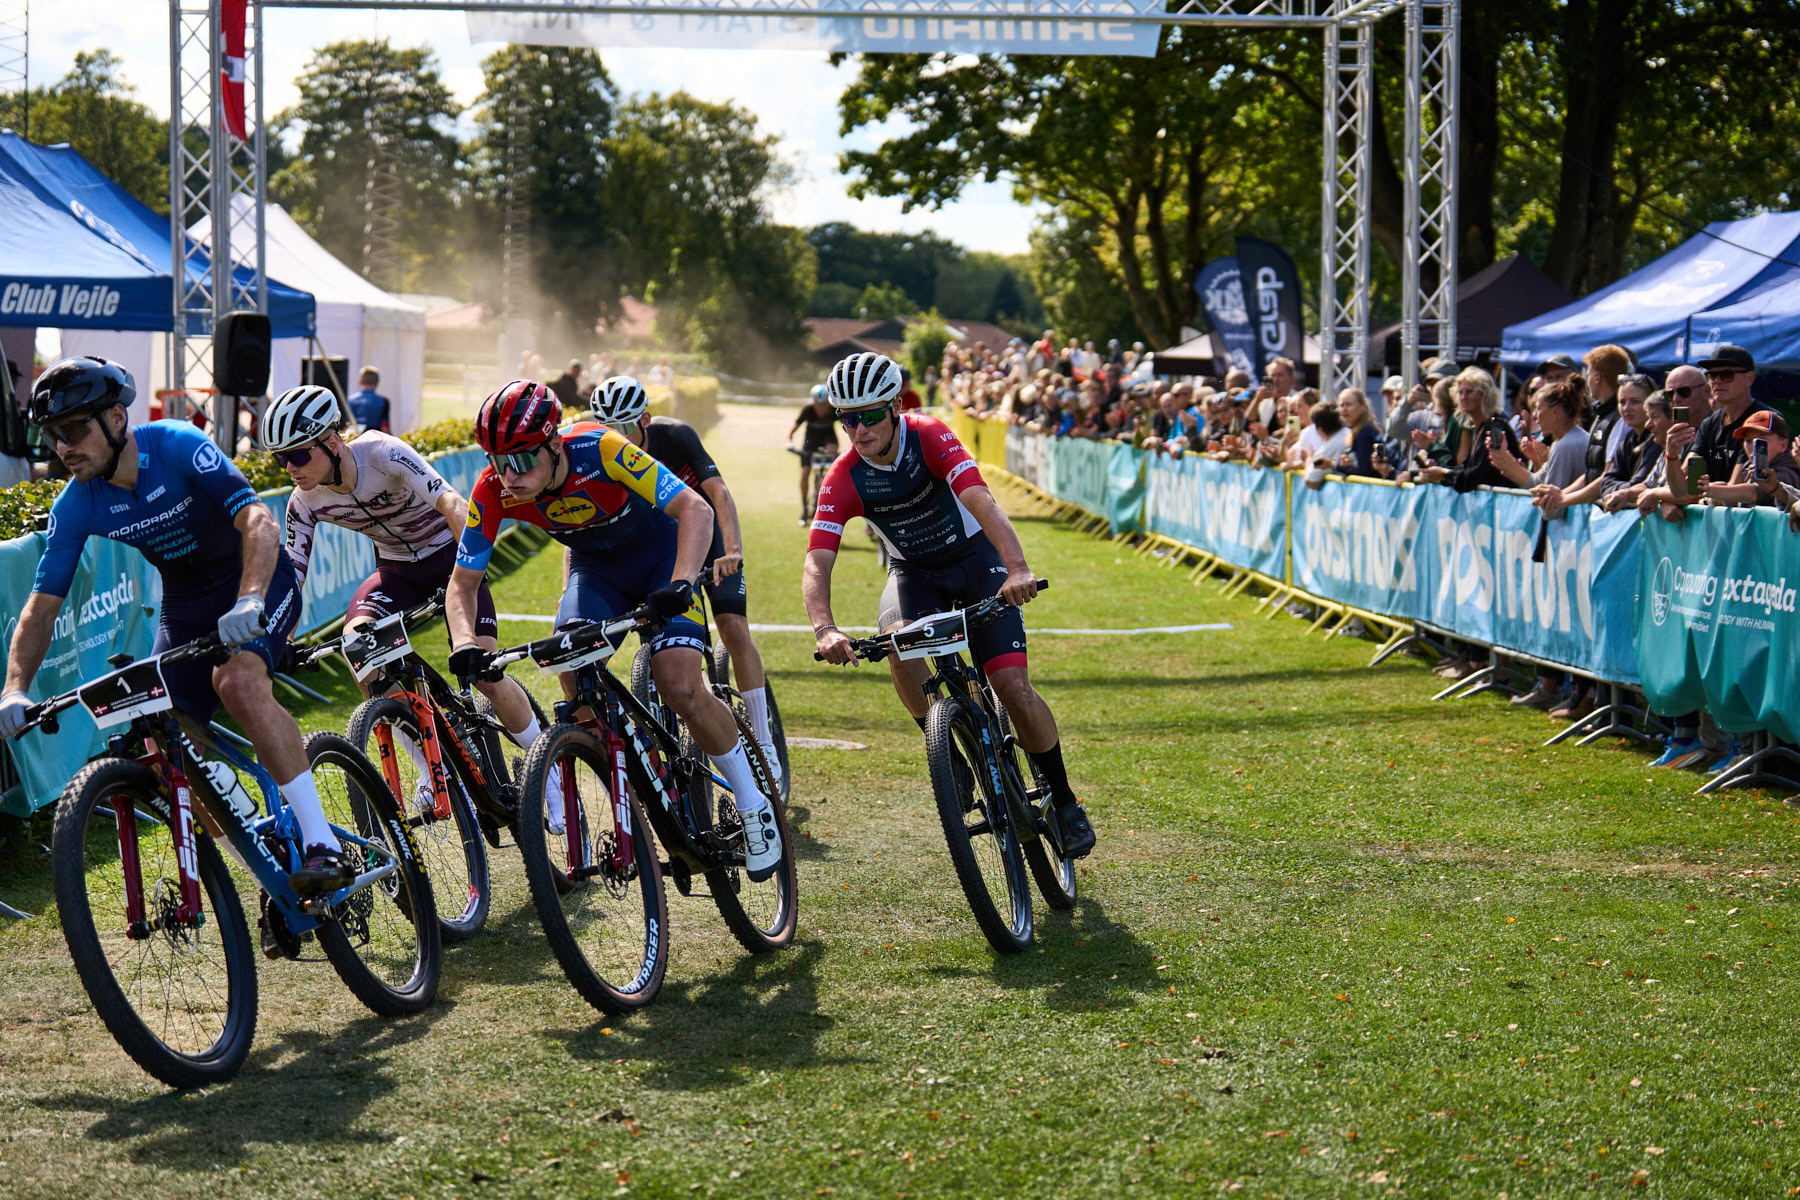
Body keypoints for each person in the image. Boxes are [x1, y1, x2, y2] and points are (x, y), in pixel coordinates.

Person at [0, 358, 349, 893]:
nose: (63, 447)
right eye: (53, 436)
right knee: (163, 745)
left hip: (254, 578)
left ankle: (323, 843)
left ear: (117, 418)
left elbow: (257, 520)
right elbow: (41, 608)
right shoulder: (76, 503)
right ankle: (269, 872)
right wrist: (13, 688)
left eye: (73, 430)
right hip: (186, 604)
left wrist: (250, 599)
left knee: (237, 682)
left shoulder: (176, 444)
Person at [445, 381, 782, 879]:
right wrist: (464, 643)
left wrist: (682, 581)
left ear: (554, 444)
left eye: (520, 460)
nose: (508, 476)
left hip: (661, 557)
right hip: (596, 573)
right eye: (497, 461)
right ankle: (637, 777)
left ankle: (754, 803)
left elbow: (696, 509)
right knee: (571, 675)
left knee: (679, 683)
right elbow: (463, 583)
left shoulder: (601, 448)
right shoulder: (493, 490)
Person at [802, 352, 1095, 860]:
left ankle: (1065, 800)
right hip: (913, 575)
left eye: (869, 415)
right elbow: (817, 560)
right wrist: (824, 627)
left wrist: (1018, 568)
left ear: (895, 406)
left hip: (975, 560)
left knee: (1012, 688)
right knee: (897, 646)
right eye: (847, 418)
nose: (859, 429)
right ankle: (948, 753)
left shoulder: (930, 436)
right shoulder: (843, 476)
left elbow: (983, 502)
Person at [261, 384, 544, 813]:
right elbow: (293, 578)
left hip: (451, 561)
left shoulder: (382, 452)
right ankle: (431, 768)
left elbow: (452, 504)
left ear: (332, 442)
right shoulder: (303, 502)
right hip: (397, 573)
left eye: (297, 455)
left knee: (485, 673)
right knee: (358, 645)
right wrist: (279, 639)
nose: (289, 468)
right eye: (279, 459)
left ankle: (548, 769)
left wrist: (471, 573)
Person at [581, 376, 783, 784]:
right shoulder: (598, 453)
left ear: (645, 420)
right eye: (605, 428)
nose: (615, 437)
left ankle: (764, 743)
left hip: (706, 537)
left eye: (624, 428)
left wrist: (733, 550)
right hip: (660, 547)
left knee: (732, 627)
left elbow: (718, 492)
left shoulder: (675, 436)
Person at [791, 383, 840, 524]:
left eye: (824, 404)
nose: (821, 408)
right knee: (805, 472)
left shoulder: (834, 411)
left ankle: (823, 500)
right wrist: (789, 441)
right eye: (817, 404)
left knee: (832, 453)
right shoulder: (808, 410)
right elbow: (794, 427)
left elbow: (847, 426)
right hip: (810, 442)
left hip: (828, 439)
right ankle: (804, 509)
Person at [346, 366, 390, 433]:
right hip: (375, 437)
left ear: (360, 382)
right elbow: (385, 428)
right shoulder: (383, 401)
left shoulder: (350, 400)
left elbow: (346, 425)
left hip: (355, 436)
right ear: (377, 382)